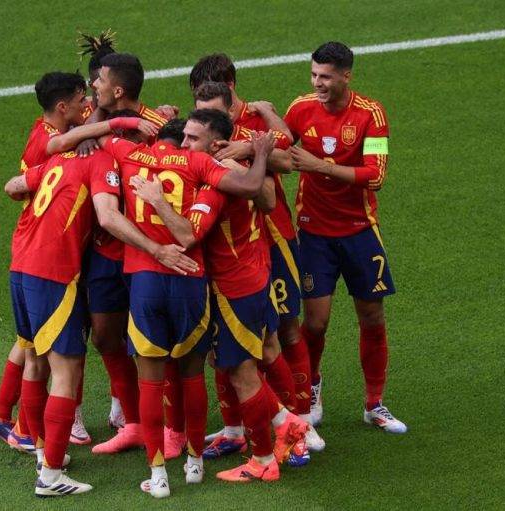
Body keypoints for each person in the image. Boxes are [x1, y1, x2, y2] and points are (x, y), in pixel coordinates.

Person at [3, 115, 197, 497]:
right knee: (66, 369)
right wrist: (156, 248)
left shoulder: (58, 160)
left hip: (20, 266)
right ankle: (51, 477)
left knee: (35, 358)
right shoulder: (101, 162)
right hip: (54, 274)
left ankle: (43, 452)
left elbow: (12, 185)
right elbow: (108, 217)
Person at [98, 110, 275, 497]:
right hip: (194, 280)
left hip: (149, 278)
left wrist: (120, 123)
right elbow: (253, 188)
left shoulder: (131, 155)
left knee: (152, 379)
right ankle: (195, 463)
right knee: (195, 373)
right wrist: (259, 151)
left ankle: (159, 475)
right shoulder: (201, 165)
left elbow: (95, 136)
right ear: (183, 140)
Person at [131, 109, 310, 483]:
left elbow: (187, 235)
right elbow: (268, 201)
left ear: (214, 143)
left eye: (192, 139)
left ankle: (263, 458)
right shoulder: (238, 168)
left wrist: (157, 200)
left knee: (243, 374)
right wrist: (254, 152)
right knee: (242, 363)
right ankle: (287, 423)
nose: (183, 146)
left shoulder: (216, 185)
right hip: (253, 275)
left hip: (233, 288)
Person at [284, 41, 407, 433]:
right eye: (314, 75)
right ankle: (312, 386)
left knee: (371, 317)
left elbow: (377, 175)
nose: (317, 83)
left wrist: (320, 165)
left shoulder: (371, 115)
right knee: (315, 323)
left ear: (346, 76)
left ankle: (375, 404)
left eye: (326, 77)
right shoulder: (300, 109)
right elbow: (278, 147)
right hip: (314, 233)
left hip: (359, 232)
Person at [0, 71, 88, 453]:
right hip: (46, 251)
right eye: (80, 99)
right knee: (44, 353)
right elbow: (67, 143)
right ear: (62, 106)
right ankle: (27, 430)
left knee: (28, 344)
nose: (85, 104)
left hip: (27, 245)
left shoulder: (40, 128)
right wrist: (114, 123)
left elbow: (15, 186)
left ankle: (3, 413)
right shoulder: (51, 143)